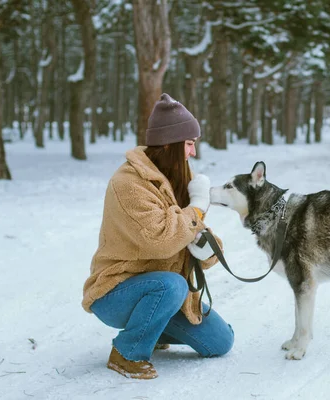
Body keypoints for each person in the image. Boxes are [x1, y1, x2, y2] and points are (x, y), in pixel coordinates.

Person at [81, 93, 234, 380]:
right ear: (169, 143)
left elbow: (193, 232)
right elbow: (160, 240)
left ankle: (153, 326)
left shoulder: (179, 177)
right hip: (117, 292)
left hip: (163, 291)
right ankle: (127, 353)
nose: (192, 152)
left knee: (221, 342)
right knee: (172, 285)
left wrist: (208, 249)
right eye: (189, 144)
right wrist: (197, 209)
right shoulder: (127, 184)